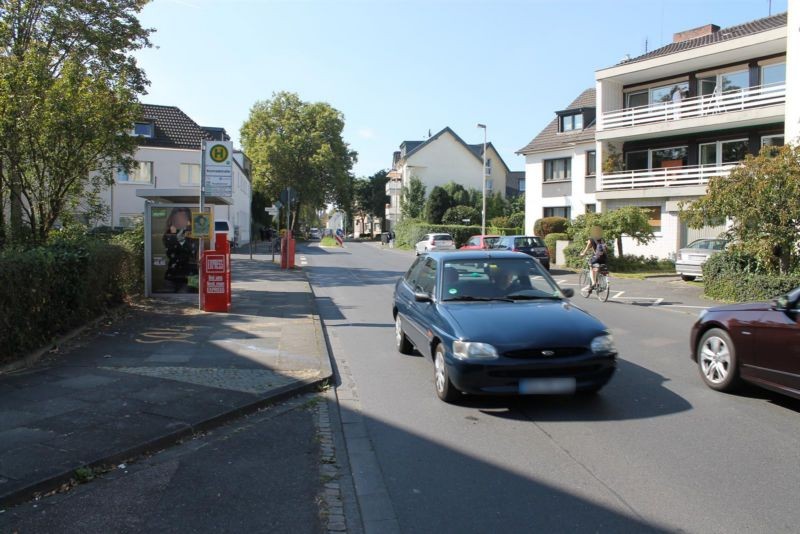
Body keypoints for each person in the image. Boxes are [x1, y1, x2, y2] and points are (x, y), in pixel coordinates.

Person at [163, 207, 199, 293]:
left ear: (188, 220)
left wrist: (179, 236)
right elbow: (170, 252)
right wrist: (173, 234)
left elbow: (191, 250)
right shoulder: (169, 234)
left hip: (192, 275)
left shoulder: (194, 233)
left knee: (187, 298)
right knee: (169, 299)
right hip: (172, 274)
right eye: (177, 219)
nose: (179, 221)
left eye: (182, 218)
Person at [580, 226, 608, 293]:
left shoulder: (591, 239)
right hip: (604, 258)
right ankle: (599, 282)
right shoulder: (602, 239)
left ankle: (593, 283)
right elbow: (605, 248)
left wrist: (582, 254)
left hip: (597, 258)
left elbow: (586, 250)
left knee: (591, 267)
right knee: (598, 268)